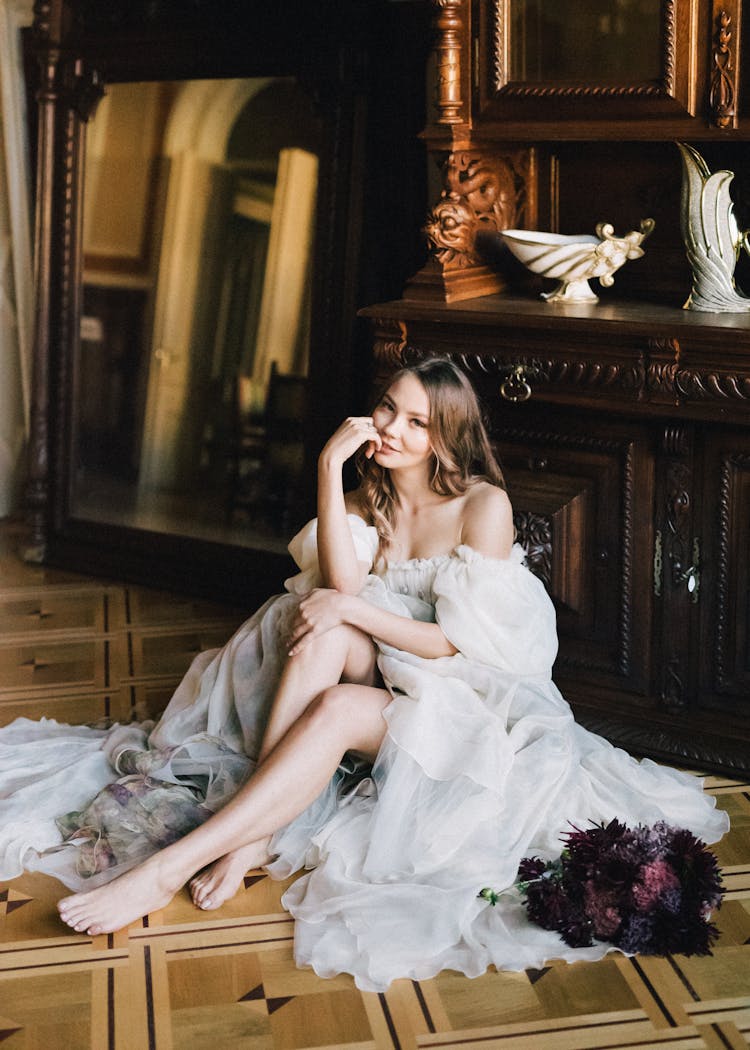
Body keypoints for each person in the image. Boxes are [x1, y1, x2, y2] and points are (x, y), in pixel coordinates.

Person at [0, 357, 729, 992]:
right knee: (319, 627)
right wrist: (328, 468)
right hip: (387, 667)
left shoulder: (482, 505)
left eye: (417, 422)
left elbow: (456, 645)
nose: (393, 429)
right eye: (389, 410)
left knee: (340, 680)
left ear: (447, 435)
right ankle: (255, 829)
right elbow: (338, 593)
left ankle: (174, 866)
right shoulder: (367, 496)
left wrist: (358, 618)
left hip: (465, 695)